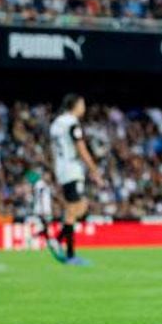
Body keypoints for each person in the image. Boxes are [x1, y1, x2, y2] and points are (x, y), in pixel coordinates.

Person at [49, 94, 104, 266]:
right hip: (72, 169)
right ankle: (68, 251)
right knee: (76, 209)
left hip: (61, 168)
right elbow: (81, 148)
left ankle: (60, 241)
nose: (84, 108)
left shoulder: (56, 123)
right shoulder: (72, 123)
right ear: (75, 106)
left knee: (75, 208)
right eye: (82, 104)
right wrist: (94, 171)